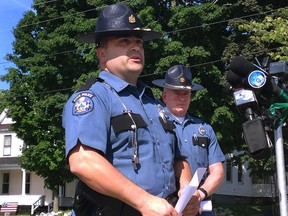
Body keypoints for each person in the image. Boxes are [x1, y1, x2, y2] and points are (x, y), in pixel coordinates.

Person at [62, 3, 199, 216]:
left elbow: (179, 158)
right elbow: (83, 161)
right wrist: (144, 202)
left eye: (138, 42)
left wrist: (187, 192)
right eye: (124, 41)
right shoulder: (94, 97)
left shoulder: (154, 104)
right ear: (102, 54)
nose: (135, 47)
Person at [152, 64, 226, 216]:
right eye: (176, 92)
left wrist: (200, 194)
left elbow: (217, 171)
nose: (181, 97)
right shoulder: (153, 125)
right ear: (165, 96)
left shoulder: (204, 128)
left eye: (185, 93)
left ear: (191, 96)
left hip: (199, 206)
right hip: (165, 206)